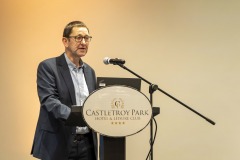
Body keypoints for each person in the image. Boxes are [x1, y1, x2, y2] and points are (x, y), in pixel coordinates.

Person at [31, 21, 97, 160]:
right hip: (59, 142)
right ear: (65, 41)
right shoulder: (48, 67)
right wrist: (79, 117)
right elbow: (49, 101)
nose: (83, 42)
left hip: (87, 144)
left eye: (87, 38)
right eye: (78, 37)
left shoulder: (90, 72)